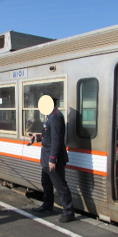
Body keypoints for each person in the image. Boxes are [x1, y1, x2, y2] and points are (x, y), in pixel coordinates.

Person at [30, 91, 76, 223]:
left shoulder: (55, 117)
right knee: (46, 183)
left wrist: (52, 159)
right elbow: (48, 135)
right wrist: (37, 137)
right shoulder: (50, 116)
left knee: (60, 185)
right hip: (46, 158)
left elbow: (56, 139)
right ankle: (47, 205)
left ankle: (68, 212)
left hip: (52, 158)